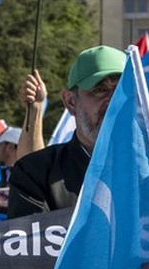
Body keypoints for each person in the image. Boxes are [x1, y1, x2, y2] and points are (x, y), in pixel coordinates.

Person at [7, 46, 125, 218]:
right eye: (100, 90)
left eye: (122, 91)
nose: (113, 102)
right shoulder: (35, 173)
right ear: (70, 101)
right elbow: (31, 242)